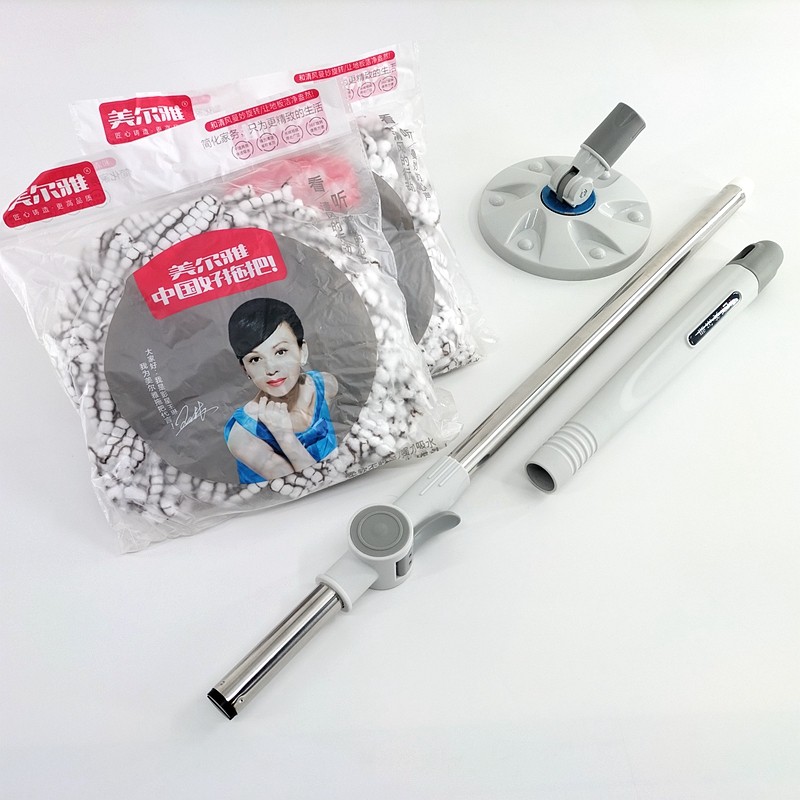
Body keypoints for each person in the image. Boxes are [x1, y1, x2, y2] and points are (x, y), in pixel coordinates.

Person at [224, 297, 338, 483]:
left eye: (280, 351)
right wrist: (284, 436)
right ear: (245, 369)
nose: (271, 369)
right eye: (255, 359)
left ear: (302, 351)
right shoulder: (242, 434)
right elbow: (307, 485)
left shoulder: (325, 385)